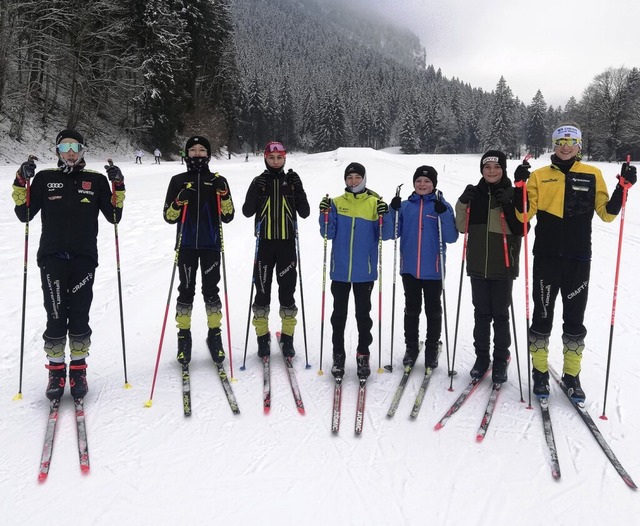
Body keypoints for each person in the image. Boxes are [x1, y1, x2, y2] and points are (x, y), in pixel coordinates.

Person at [514, 124, 637, 400]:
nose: (566, 146)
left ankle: (572, 376)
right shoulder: (539, 176)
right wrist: (519, 187)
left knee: (574, 320)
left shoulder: (592, 175)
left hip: (578, 259)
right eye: (560, 141)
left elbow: (607, 214)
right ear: (554, 145)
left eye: (571, 141)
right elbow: (523, 216)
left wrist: (623, 188)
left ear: (579, 145)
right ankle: (540, 373)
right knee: (542, 317)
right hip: (546, 257)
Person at [11, 129, 126, 400]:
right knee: (55, 314)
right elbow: (24, 213)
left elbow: (114, 216)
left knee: (79, 315)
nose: (70, 152)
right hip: (52, 258)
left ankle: (77, 370)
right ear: (57, 151)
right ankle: (55, 371)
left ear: (83, 150)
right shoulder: (45, 178)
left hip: (84, 258)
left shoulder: (95, 180)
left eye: (75, 146)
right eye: (65, 148)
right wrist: (20, 180)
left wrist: (118, 184)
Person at [163, 136, 234, 365]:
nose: (197, 154)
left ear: (208, 154)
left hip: (211, 245)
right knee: (185, 290)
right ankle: (184, 337)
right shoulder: (177, 180)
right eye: (192, 150)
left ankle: (214, 335)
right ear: (186, 154)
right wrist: (177, 203)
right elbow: (168, 217)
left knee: (211, 291)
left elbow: (228, 215)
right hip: (185, 247)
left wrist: (223, 196)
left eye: (202, 150)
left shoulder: (218, 180)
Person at [455, 151, 525, 384]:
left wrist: (508, 203)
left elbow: (521, 228)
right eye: (487, 167)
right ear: (482, 170)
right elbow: (462, 227)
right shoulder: (476, 195)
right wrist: (462, 202)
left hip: (503, 264)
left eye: (496, 167)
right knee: (481, 314)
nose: (492, 171)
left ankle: (501, 359)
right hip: (477, 264)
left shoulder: (514, 192)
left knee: (501, 315)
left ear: (503, 168)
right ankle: (482, 358)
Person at [319, 162, 389, 380]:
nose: (353, 181)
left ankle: (363, 354)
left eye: (358, 177)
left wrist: (384, 215)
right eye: (350, 178)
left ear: (364, 178)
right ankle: (338, 355)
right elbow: (327, 234)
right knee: (338, 316)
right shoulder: (337, 203)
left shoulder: (375, 203)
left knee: (363, 316)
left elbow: (384, 235)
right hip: (340, 270)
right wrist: (325, 213)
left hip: (364, 272)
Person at [241, 141, 310, 357]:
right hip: (264, 246)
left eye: (279, 157)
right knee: (262, 293)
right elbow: (246, 211)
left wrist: (298, 188)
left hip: (287, 245)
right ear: (265, 158)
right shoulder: (258, 182)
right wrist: (255, 188)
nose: (275, 161)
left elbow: (305, 212)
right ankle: (262, 338)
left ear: (285, 158)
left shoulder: (291, 181)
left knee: (287, 293)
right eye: (271, 158)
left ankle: (287, 339)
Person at [386, 166, 458, 370]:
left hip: (434, 270)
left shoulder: (442, 206)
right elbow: (391, 233)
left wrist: (443, 213)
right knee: (411, 309)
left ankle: (432, 348)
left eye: (427, 181)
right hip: (409, 268)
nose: (422, 184)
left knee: (433, 310)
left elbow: (451, 237)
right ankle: (411, 347)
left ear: (434, 184)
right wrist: (393, 210)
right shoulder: (406, 206)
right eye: (418, 181)